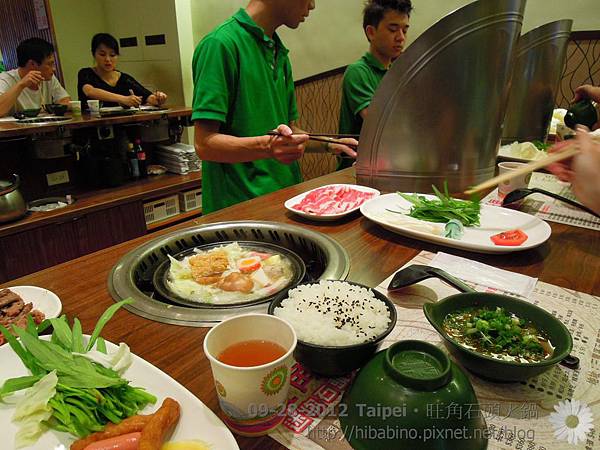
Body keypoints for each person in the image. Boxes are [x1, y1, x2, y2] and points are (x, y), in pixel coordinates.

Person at [192, 0, 357, 214]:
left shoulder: (279, 51)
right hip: (239, 212)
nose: (313, 5)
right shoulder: (220, 45)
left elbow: (288, 131)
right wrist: (269, 147)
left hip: (286, 201)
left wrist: (330, 144)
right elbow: (204, 144)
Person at [338, 0, 412, 169]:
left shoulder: (397, 73)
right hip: (357, 169)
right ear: (371, 32)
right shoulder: (358, 72)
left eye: (405, 30)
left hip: (394, 163)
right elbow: (385, 126)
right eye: (393, 29)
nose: (401, 37)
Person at [78, 33, 167, 110]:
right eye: (102, 54)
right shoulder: (86, 73)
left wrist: (159, 98)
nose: (108, 59)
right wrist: (123, 99)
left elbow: (148, 97)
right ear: (93, 54)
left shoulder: (125, 79)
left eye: (112, 55)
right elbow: (90, 91)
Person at [0, 38, 70, 117]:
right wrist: (21, 85)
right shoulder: (5, 79)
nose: (53, 69)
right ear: (32, 64)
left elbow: (65, 100)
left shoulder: (48, 77)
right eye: (49, 64)